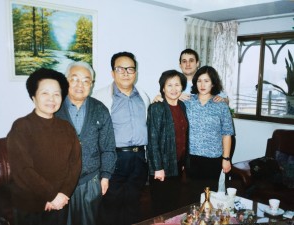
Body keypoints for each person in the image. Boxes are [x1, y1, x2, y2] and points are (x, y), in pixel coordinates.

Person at [7, 68, 81, 225]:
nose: (51, 99)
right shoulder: (21, 126)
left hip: (60, 203)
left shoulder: (66, 127)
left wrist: (63, 194)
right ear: (33, 97)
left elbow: (75, 164)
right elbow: (23, 170)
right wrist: (51, 195)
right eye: (45, 93)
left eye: (56, 94)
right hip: (29, 205)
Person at [55, 61, 117, 225]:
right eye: (74, 79)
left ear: (91, 84)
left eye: (85, 80)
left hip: (90, 182)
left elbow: (108, 147)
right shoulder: (53, 108)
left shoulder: (100, 109)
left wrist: (105, 176)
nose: (79, 85)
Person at [94, 51, 150, 225]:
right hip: (114, 158)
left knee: (133, 204)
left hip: (139, 158)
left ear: (136, 73)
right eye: (120, 69)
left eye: (130, 69)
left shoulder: (143, 96)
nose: (126, 72)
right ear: (112, 73)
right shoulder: (99, 97)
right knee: (111, 205)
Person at [184, 65, 234, 192]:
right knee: (192, 196)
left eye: (206, 81)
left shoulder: (221, 105)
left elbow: (227, 133)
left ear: (213, 83)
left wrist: (226, 159)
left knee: (209, 196)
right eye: (199, 80)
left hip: (213, 159)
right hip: (191, 157)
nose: (202, 84)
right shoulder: (188, 102)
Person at [147, 70, 189, 216]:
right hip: (162, 167)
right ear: (163, 88)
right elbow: (152, 140)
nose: (173, 89)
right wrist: (158, 168)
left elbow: (183, 135)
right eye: (169, 85)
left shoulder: (182, 106)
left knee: (174, 205)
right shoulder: (157, 108)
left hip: (177, 164)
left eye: (177, 85)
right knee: (160, 208)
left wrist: (183, 161)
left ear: (182, 87)